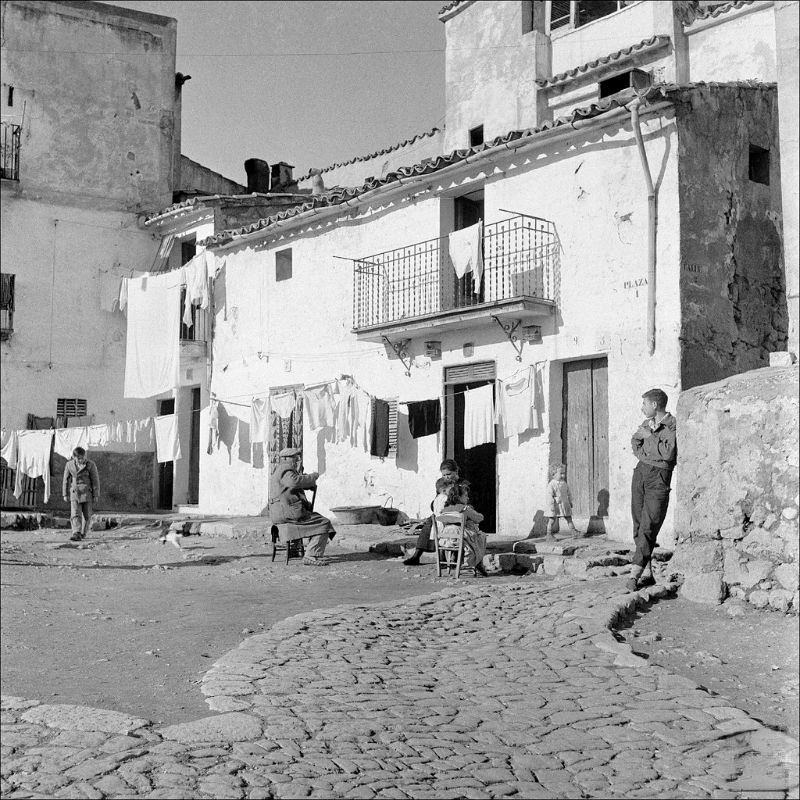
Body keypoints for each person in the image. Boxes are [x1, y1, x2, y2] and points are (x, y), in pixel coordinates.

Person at [627, 388, 677, 592]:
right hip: (641, 472)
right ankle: (647, 573)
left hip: (659, 476)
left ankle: (634, 574)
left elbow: (668, 453)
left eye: (644, 404)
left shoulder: (672, 425)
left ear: (655, 405)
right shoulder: (647, 424)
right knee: (639, 525)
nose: (642, 409)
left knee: (649, 525)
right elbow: (635, 441)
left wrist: (651, 438)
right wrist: (645, 455)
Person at [268, 447, 336, 566]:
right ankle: (311, 555)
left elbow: (290, 486)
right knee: (324, 523)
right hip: (288, 512)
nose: (296, 461)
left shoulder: (279, 470)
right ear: (286, 459)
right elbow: (294, 482)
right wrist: (312, 478)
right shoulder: (285, 469)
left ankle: (310, 551)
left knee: (315, 518)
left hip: (281, 512)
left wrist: (306, 485)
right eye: (294, 459)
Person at [403, 459, 460, 566]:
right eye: (444, 475)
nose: (446, 477)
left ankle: (451, 558)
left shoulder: (462, 485)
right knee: (430, 522)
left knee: (442, 524)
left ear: (456, 472)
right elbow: (436, 502)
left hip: (456, 512)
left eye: (449, 474)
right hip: (443, 513)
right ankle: (417, 555)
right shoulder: (443, 484)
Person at [439, 480, 488, 576]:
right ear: (458, 497)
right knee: (481, 536)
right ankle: (475, 563)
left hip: (446, 539)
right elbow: (479, 518)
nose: (468, 497)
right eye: (465, 495)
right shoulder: (464, 509)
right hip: (460, 538)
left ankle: (460, 563)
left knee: (469, 535)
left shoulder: (444, 510)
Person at [62, 446, 100, 542]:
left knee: (87, 515)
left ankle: (83, 532)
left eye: (83, 458)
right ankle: (76, 533)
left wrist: (96, 494)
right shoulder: (69, 465)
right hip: (75, 493)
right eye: (79, 458)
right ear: (74, 457)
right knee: (75, 513)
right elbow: (65, 480)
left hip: (87, 493)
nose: (81, 460)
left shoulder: (91, 465)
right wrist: (65, 494)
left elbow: (95, 480)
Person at [544, 463, 582, 540]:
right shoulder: (552, 484)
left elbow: (568, 493)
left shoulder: (564, 483)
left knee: (568, 517)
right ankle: (549, 534)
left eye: (563, 473)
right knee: (552, 519)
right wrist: (551, 505)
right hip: (556, 505)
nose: (563, 475)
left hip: (564, 503)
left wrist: (570, 501)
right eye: (560, 474)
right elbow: (549, 496)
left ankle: (573, 531)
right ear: (553, 474)